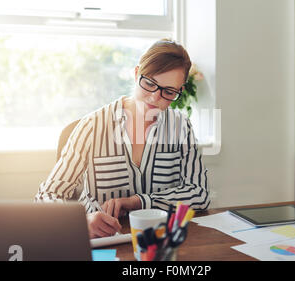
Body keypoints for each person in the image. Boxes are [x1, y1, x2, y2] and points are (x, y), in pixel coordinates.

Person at [35, 39, 210, 238]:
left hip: (159, 242)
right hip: (103, 242)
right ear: (136, 74)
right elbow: (47, 195)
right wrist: (81, 222)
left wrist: (138, 201)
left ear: (179, 91)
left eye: (168, 92)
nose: (155, 98)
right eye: (149, 84)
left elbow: (199, 193)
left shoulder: (181, 126)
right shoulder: (92, 125)